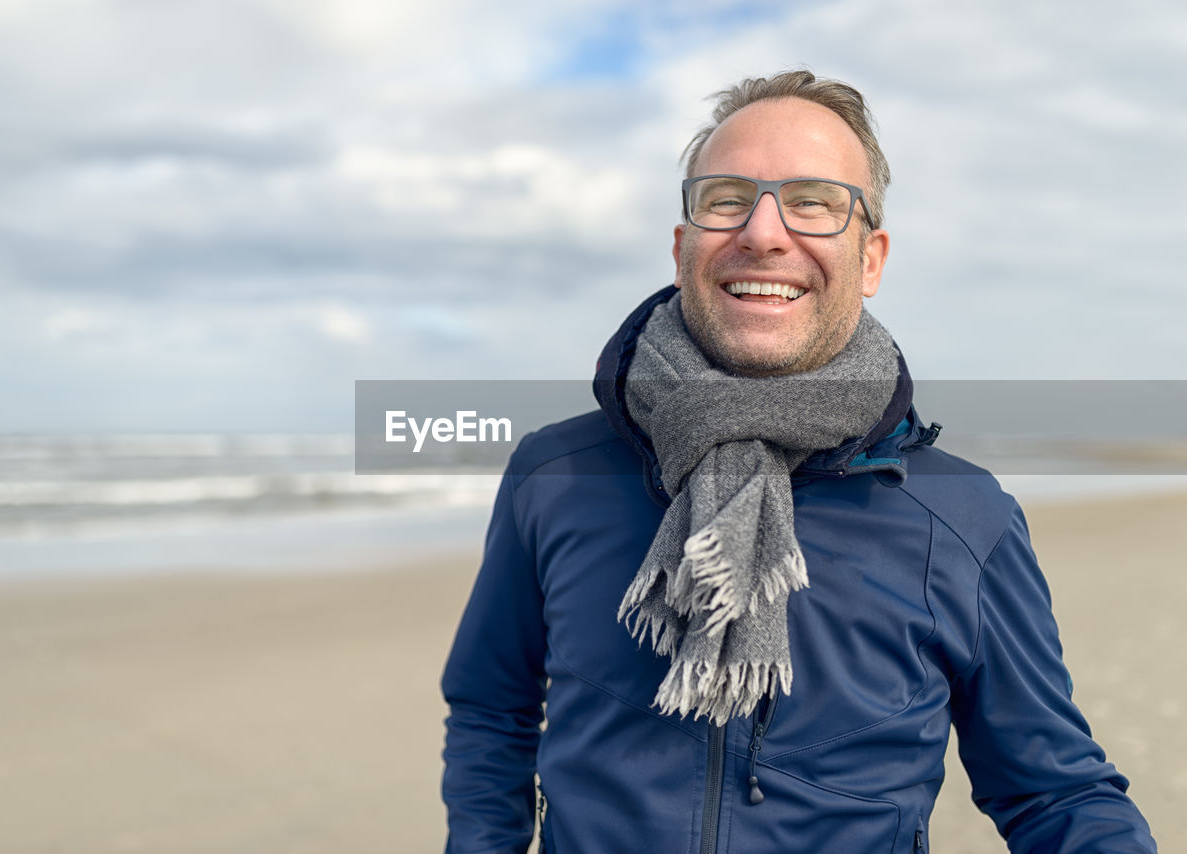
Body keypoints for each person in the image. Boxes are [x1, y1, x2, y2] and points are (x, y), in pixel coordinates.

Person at [440, 70, 1156, 853]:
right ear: (683, 249)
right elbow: (491, 706)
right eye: (726, 199)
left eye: (814, 201)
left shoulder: (962, 519)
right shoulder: (555, 475)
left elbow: (1054, 794)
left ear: (871, 259)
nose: (764, 232)